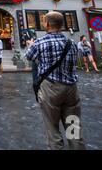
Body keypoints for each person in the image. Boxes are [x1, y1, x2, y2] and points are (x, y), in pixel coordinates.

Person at [26, 12, 86, 150]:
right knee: (74, 127)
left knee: (52, 127)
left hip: (51, 88)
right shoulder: (71, 43)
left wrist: (30, 45)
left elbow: (29, 56)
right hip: (71, 88)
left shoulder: (40, 42)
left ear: (47, 24)